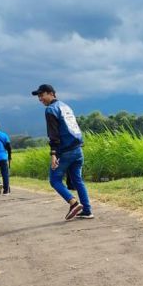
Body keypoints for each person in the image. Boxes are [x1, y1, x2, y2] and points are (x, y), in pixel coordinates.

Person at [31, 84, 94, 220]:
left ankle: (73, 203)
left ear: (51, 93)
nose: (40, 99)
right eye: (39, 96)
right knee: (78, 181)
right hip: (77, 149)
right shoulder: (65, 107)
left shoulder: (51, 110)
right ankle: (87, 210)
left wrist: (53, 154)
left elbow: (53, 135)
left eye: (42, 95)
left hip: (65, 151)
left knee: (55, 180)